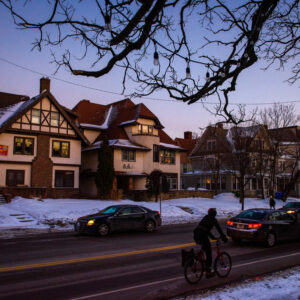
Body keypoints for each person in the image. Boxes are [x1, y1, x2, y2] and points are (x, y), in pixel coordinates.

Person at [194, 208, 228, 278]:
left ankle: (196, 261)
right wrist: (223, 237)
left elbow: (204, 228)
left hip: (196, 234)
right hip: (202, 235)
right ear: (214, 214)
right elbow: (219, 229)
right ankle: (208, 272)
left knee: (204, 247)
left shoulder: (206, 217)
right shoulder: (213, 220)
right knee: (208, 252)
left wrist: (212, 237)